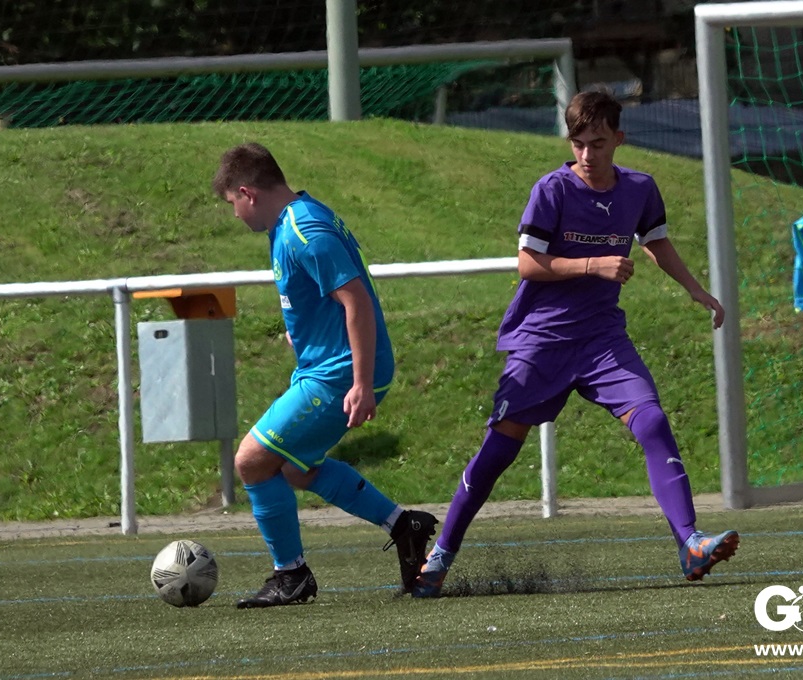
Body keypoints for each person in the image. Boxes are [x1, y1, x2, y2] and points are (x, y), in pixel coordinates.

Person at [412, 90, 739, 598]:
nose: (587, 154)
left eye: (598, 143)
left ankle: (690, 543)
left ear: (619, 139)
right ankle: (440, 556)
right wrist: (594, 264)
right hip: (542, 340)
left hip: (602, 338)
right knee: (498, 451)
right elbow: (528, 264)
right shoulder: (552, 190)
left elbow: (654, 240)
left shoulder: (639, 189)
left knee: (652, 421)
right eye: (579, 143)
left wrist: (695, 289)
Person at [212, 142, 437, 607]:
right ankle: (404, 525)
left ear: (248, 193)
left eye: (232, 202)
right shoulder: (291, 222)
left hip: (339, 373)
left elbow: (356, 301)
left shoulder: (305, 229)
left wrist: (360, 382)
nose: (234, 213)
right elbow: (324, 299)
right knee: (296, 468)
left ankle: (291, 575)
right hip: (325, 366)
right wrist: (304, 335)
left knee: (251, 461)